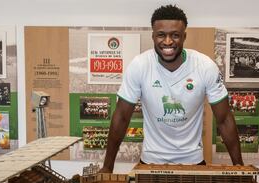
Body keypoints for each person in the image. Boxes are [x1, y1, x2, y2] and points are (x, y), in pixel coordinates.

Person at [100, 5, 243, 173]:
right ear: (153, 36)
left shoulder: (205, 66)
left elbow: (224, 119)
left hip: (193, 162)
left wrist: (241, 168)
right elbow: (122, 117)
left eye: (175, 35)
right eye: (161, 35)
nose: (168, 41)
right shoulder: (139, 65)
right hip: (151, 161)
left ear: (184, 36)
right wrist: (107, 168)